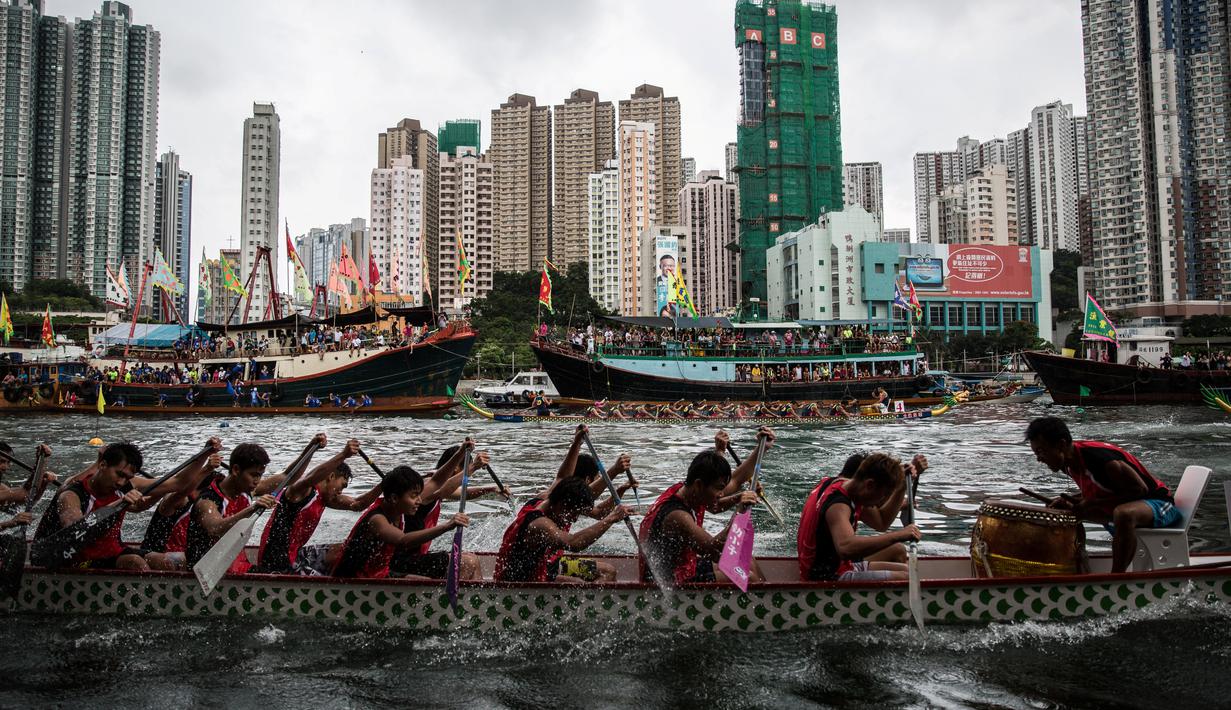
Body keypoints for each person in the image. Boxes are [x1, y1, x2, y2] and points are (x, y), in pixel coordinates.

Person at [1025, 416, 1178, 573]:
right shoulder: (1068, 462)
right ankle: (1079, 569)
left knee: (1123, 514)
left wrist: (1093, 503)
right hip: (1130, 506)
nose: (1039, 459)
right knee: (1068, 513)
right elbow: (1101, 491)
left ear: (1061, 445)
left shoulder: (1102, 461)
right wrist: (1073, 502)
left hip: (1160, 504)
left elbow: (1140, 490)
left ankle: (1116, 578)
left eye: (1041, 451)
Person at [33, 442, 215, 570]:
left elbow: (178, 483)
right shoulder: (71, 494)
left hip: (111, 552)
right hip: (73, 558)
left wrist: (203, 455)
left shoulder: (127, 483)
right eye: (119, 474)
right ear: (102, 465)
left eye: (127, 477)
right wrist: (120, 503)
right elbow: (74, 527)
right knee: (134, 562)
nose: (122, 482)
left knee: (178, 561)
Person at [638, 428, 773, 586]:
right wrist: (740, 511)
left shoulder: (689, 490)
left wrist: (761, 449)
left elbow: (735, 481)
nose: (721, 494)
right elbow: (714, 550)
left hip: (687, 565)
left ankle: (770, 602)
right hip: (667, 581)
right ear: (699, 485)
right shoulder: (678, 515)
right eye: (718, 488)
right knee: (747, 577)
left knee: (746, 560)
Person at [254, 438, 381, 575]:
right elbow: (309, 477)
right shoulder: (301, 491)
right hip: (276, 563)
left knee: (347, 549)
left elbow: (358, 504)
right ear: (331, 476)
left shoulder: (327, 499)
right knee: (325, 581)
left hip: (296, 555)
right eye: (342, 486)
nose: (341, 492)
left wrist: (384, 485)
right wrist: (343, 455)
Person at [183, 439, 308, 575]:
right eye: (254, 475)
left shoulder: (248, 490)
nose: (257, 481)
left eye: (260, 475)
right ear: (236, 470)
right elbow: (216, 528)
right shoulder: (207, 501)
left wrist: (310, 449)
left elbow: (287, 477)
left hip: (238, 568)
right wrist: (253, 508)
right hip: (208, 573)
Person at [331, 465, 474, 580]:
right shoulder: (377, 519)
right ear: (394, 498)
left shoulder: (398, 510)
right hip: (352, 581)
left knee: (424, 582)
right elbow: (403, 540)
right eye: (414, 496)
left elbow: (436, 482)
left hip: (381, 574)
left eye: (419, 495)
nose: (419, 501)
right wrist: (447, 526)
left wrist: (464, 455)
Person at [797, 453, 921, 581]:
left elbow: (881, 522)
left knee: (904, 562)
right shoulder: (838, 505)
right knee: (908, 578)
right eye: (884, 495)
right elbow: (846, 548)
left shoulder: (845, 486)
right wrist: (898, 535)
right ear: (869, 485)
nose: (880, 503)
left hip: (841, 565)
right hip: (826, 576)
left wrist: (901, 487)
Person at [388, 442, 496, 579]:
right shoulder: (427, 483)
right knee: (467, 562)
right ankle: (457, 599)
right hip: (401, 559)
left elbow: (464, 493)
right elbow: (441, 488)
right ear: (456, 468)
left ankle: (474, 599)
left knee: (470, 557)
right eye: (464, 471)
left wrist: (492, 489)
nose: (467, 478)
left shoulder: (440, 486)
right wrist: (473, 467)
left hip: (414, 555)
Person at [494, 477, 632, 583]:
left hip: (543, 573)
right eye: (573, 514)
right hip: (516, 587)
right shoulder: (540, 524)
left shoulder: (549, 505)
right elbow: (574, 543)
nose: (574, 520)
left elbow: (598, 512)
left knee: (605, 571)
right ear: (561, 504)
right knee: (579, 585)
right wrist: (610, 519)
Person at [141, 442, 225, 571]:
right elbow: (181, 489)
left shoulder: (210, 507)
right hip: (155, 557)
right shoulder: (177, 501)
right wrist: (206, 469)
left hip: (185, 558)